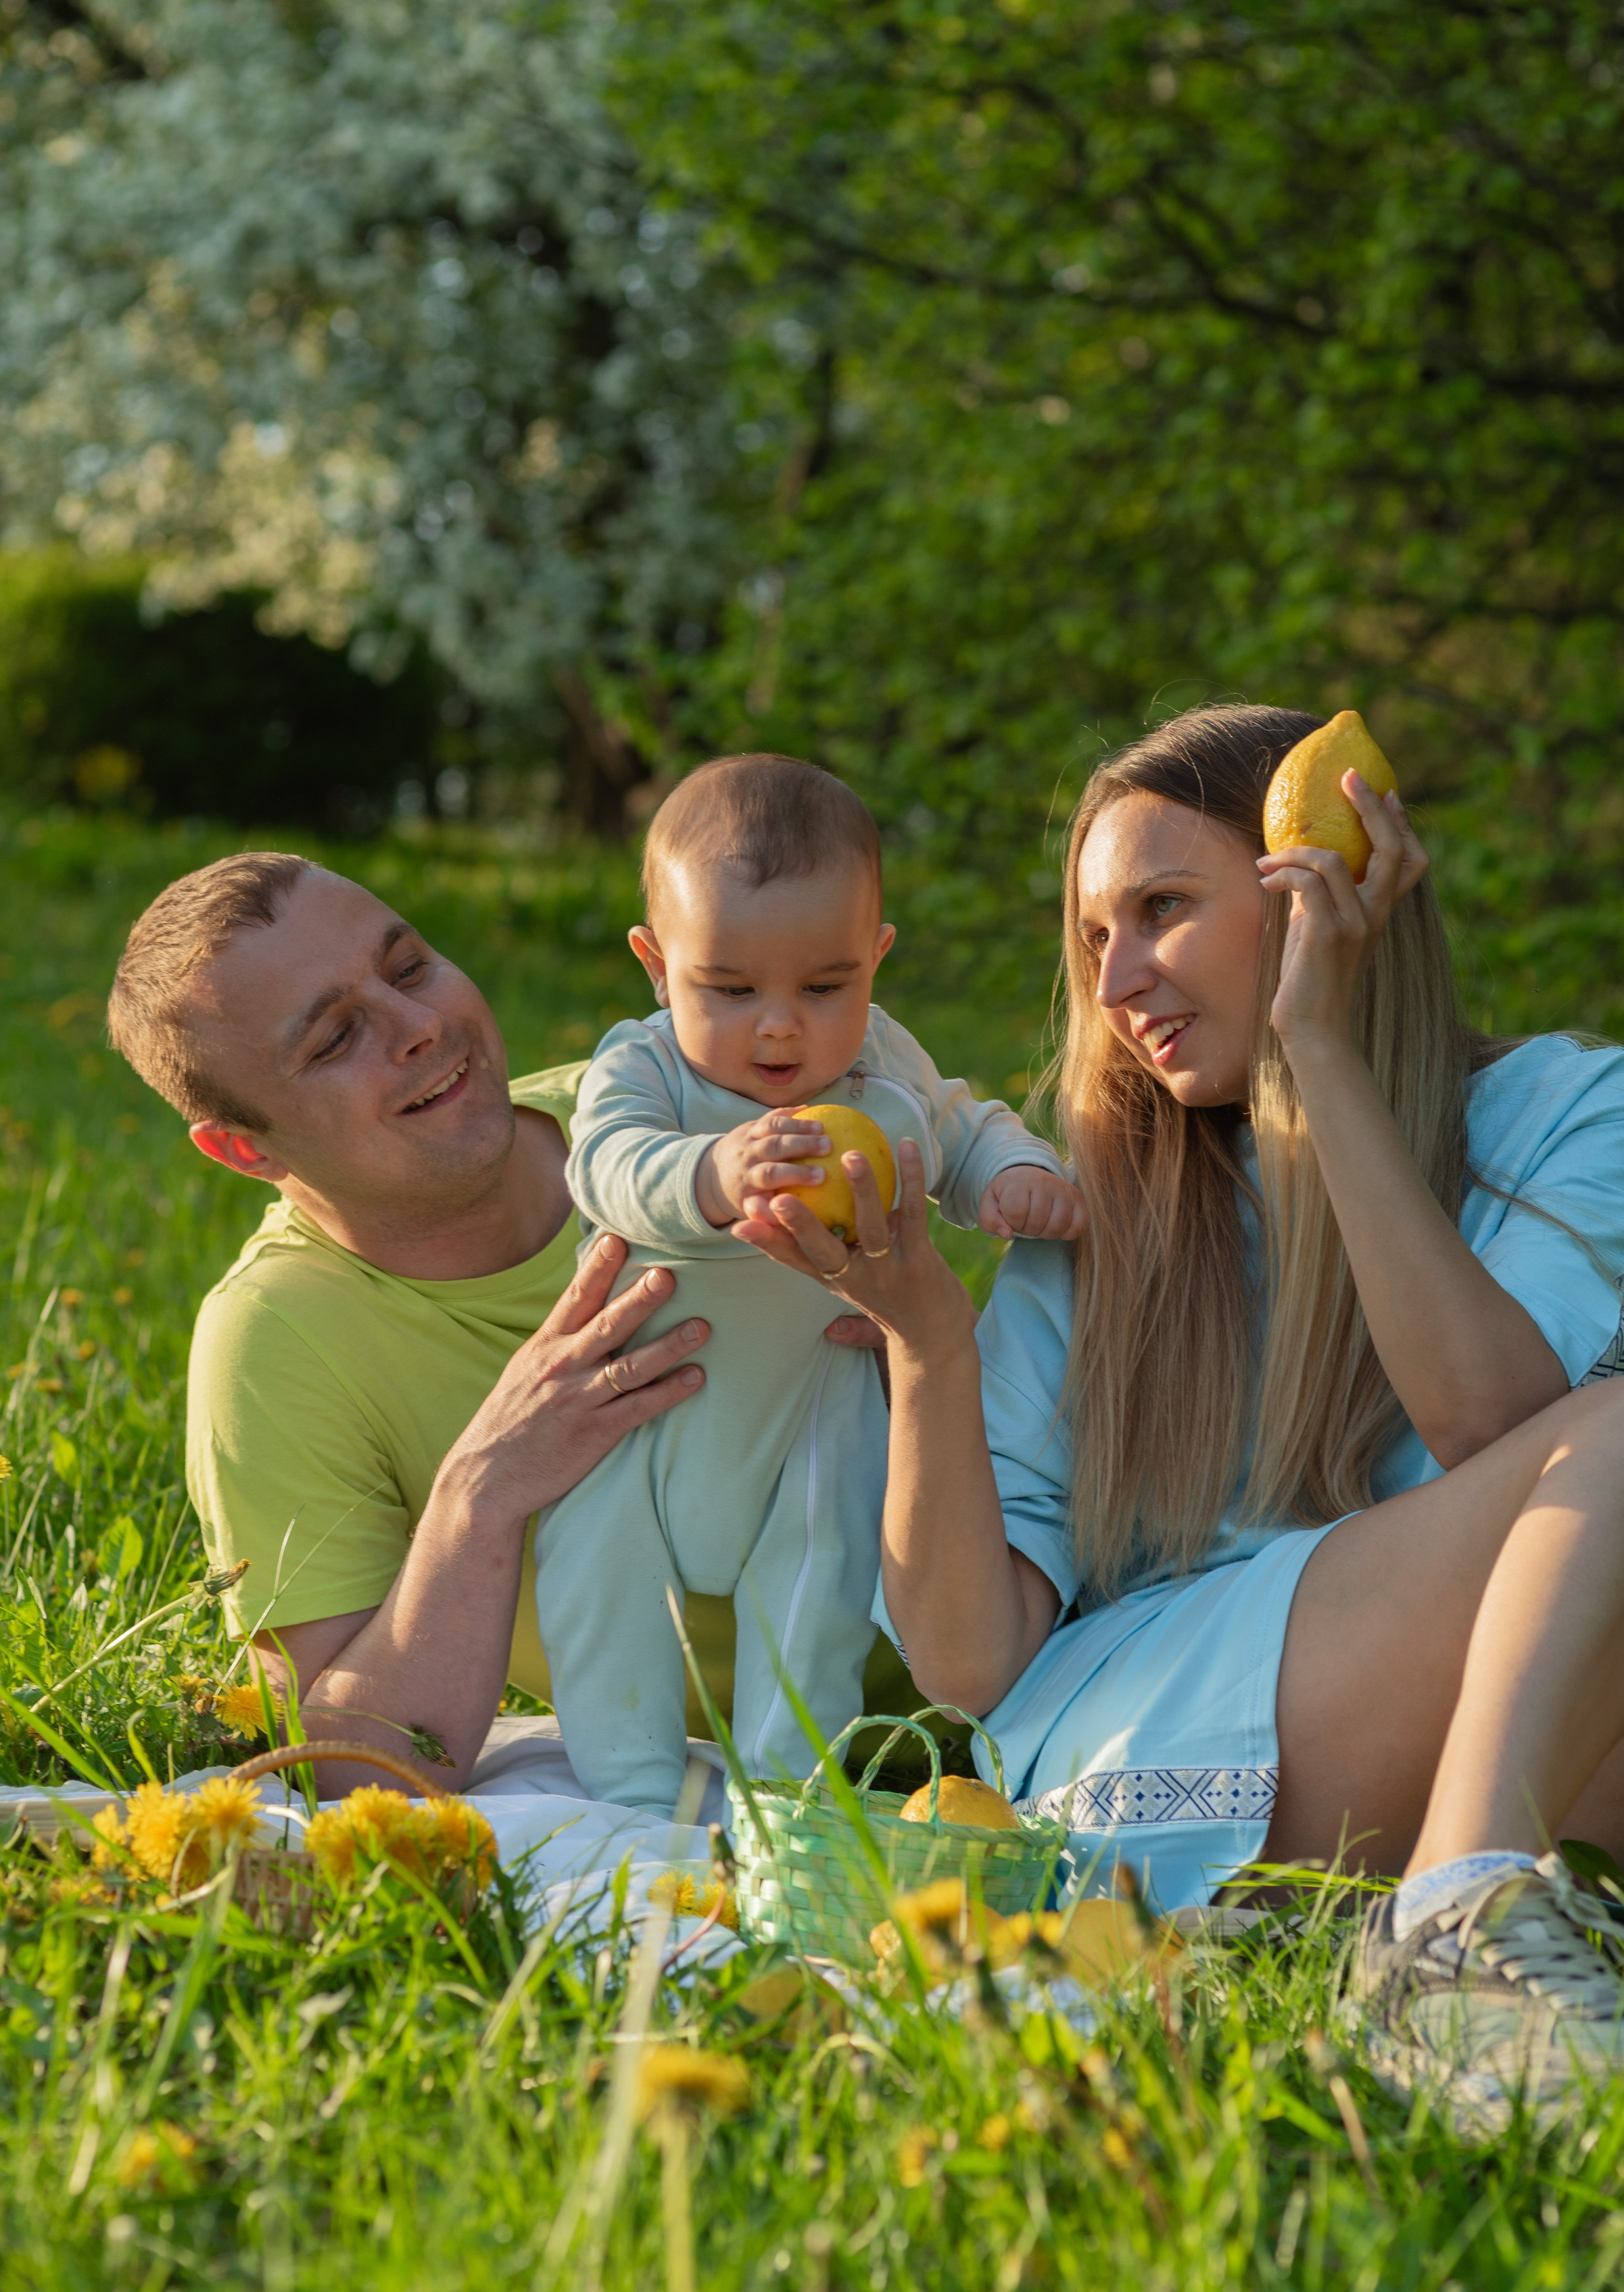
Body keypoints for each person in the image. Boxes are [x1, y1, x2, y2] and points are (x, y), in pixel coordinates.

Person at [737, 704, 1624, 2136]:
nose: (1119, 976)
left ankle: (1465, 1940)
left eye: (1161, 909)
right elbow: (969, 1663)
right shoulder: (1102, 1210)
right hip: (1145, 1747)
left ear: (1321, 886)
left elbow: (1499, 1434)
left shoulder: (1563, 1110)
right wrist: (925, 1339)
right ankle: (1450, 1930)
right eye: (1093, 936)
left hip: (1453, 1720)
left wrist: (1315, 1060)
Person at [107, 851, 731, 1798]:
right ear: (245, 1148)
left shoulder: (656, 1109)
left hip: (1021, 1652)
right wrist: (484, 1488)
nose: (423, 1026)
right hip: (758, 1770)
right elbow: (355, 1770)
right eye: (333, 1041)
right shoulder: (280, 1340)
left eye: (409, 968)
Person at [544, 755, 1083, 1807]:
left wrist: (1018, 1178)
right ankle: (630, 1799)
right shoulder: (643, 1068)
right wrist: (710, 1170)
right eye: (731, 989)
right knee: (597, 1586)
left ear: (876, 959)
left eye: (825, 987)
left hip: (815, 1416)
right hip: (638, 1417)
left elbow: (958, 1130)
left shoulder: (883, 1066)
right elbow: (603, 1166)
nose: (780, 1025)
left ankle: (786, 1799)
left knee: (819, 1591)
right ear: (658, 965)